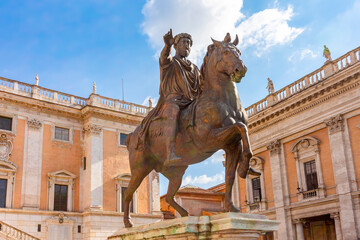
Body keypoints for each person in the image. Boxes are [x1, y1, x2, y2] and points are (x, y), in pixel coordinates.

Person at [136, 29, 201, 167]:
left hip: (190, 102)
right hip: (172, 101)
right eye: (184, 42)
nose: (187, 46)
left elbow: (203, 85)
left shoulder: (194, 68)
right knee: (173, 112)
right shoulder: (171, 63)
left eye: (189, 43)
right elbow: (164, 58)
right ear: (176, 46)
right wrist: (167, 46)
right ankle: (171, 152)